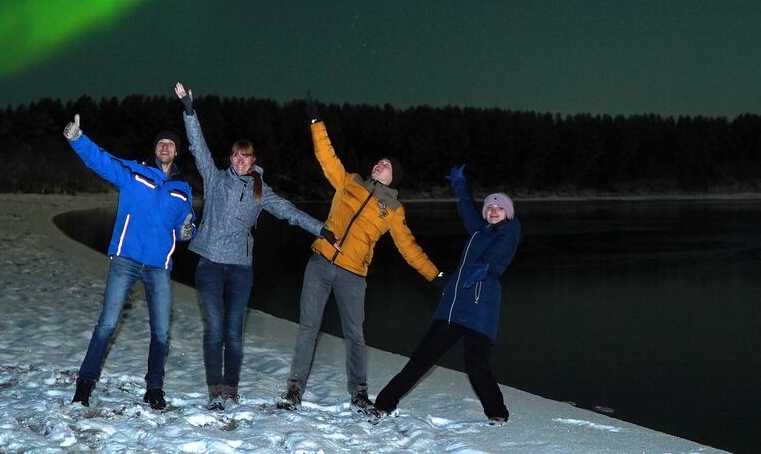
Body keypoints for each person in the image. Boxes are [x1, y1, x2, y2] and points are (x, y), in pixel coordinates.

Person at [175, 82, 335, 410]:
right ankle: (213, 389)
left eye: (245, 157)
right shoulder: (215, 178)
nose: (239, 161)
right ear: (231, 158)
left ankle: (230, 388)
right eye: (235, 155)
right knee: (214, 330)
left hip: (240, 269)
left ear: (253, 161)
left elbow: (289, 212)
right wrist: (190, 110)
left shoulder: (262, 192)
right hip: (208, 263)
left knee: (233, 333)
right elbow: (198, 146)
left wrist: (322, 229)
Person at [279, 100, 440, 412]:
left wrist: (435, 275)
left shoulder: (393, 210)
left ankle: (359, 394)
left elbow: (409, 248)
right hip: (320, 263)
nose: (380, 164)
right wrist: (316, 122)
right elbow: (327, 158)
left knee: (355, 335)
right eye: (378, 161)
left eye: (387, 164)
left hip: (353, 276)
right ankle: (294, 390)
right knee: (308, 328)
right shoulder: (349, 181)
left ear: (394, 178)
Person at [63, 111, 195, 411]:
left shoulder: (183, 189)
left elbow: (186, 225)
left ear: (177, 151)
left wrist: (189, 229)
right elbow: (102, 160)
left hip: (159, 267)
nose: (165, 147)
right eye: (161, 143)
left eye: (170, 144)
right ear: (155, 148)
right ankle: (84, 384)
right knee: (107, 324)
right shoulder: (135, 174)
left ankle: (154, 389)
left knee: (161, 331)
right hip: (126, 259)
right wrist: (78, 140)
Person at [372, 166, 519, 424]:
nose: (494, 211)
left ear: (508, 213)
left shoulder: (510, 230)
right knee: (421, 358)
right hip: (453, 306)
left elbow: (500, 252)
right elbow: (466, 210)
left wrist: (484, 266)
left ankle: (497, 414)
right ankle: (383, 405)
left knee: (476, 365)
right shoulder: (478, 231)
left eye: (500, 208)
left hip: (480, 308)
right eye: (490, 208)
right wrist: (460, 184)